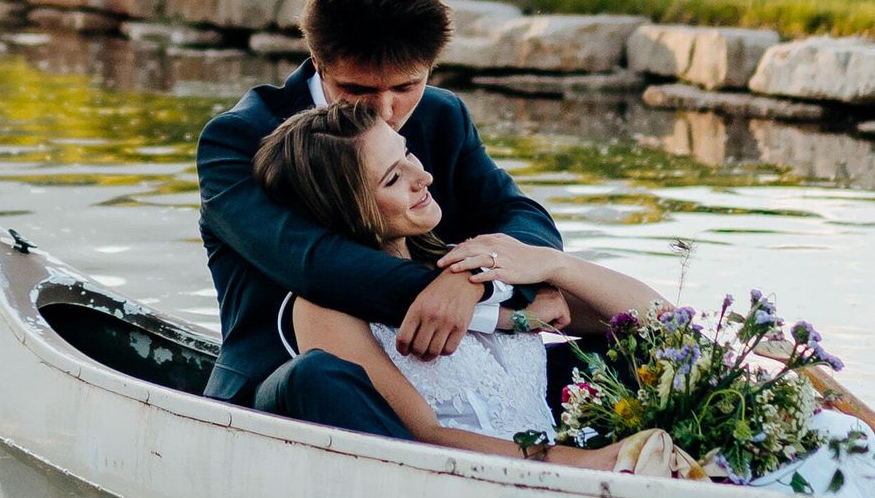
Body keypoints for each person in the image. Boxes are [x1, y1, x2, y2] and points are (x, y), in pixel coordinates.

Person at [195, 0, 557, 425]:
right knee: (318, 377)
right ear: (318, 62)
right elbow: (313, 263)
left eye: (406, 87)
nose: (386, 111)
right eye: (359, 89)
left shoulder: (443, 115)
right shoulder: (238, 139)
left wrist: (474, 278)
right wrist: (478, 296)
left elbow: (526, 220)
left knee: (616, 349)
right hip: (293, 388)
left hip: (443, 373)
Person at [249, 99, 663, 463]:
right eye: (392, 179)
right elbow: (424, 436)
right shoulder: (323, 307)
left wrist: (554, 264)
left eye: (407, 153)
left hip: (560, 457)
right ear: (346, 211)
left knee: (649, 354)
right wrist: (583, 464)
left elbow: (662, 324)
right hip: (459, 484)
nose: (423, 177)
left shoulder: (470, 260)